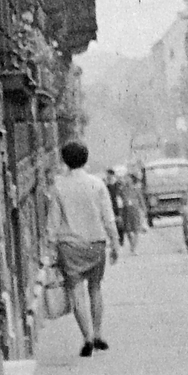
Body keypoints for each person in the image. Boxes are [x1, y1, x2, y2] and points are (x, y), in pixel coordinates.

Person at [47, 141, 120, 357]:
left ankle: (86, 337)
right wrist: (115, 243)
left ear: (64, 161)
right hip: (95, 243)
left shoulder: (58, 186)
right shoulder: (97, 185)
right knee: (95, 289)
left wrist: (50, 248)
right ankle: (98, 334)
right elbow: (108, 218)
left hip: (69, 246)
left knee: (76, 292)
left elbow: (53, 222)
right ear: (86, 158)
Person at [105, 167, 128, 246]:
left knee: (120, 223)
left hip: (118, 205)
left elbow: (122, 194)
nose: (108, 176)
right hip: (110, 205)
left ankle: (121, 239)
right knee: (112, 223)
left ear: (112, 175)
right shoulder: (106, 185)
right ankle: (114, 240)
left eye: (109, 175)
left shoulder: (118, 184)